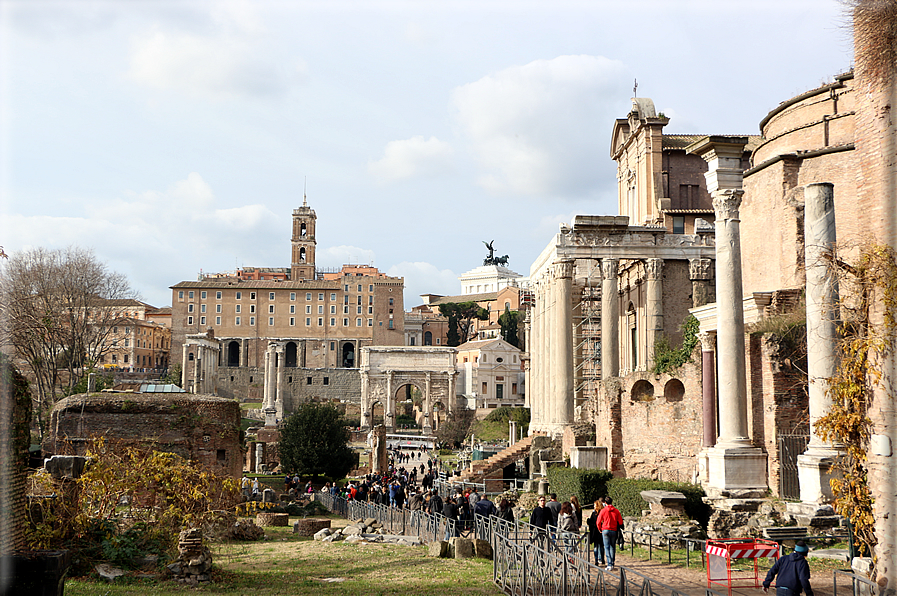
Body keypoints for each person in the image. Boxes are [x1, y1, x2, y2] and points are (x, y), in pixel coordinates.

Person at [596, 496, 624, 571]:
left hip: (605, 529)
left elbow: (598, 521)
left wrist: (599, 528)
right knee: (612, 546)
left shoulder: (603, 511)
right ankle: (612, 562)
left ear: (605, 503)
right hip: (614, 530)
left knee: (607, 547)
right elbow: (621, 522)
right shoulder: (616, 511)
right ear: (612, 502)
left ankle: (609, 564)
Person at [586, 498, 606, 566]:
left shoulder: (594, 513)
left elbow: (593, 523)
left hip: (595, 532)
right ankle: (602, 559)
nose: (594, 506)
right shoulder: (603, 512)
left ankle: (596, 559)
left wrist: (588, 521)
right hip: (601, 531)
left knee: (596, 546)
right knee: (601, 546)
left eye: (594, 505)